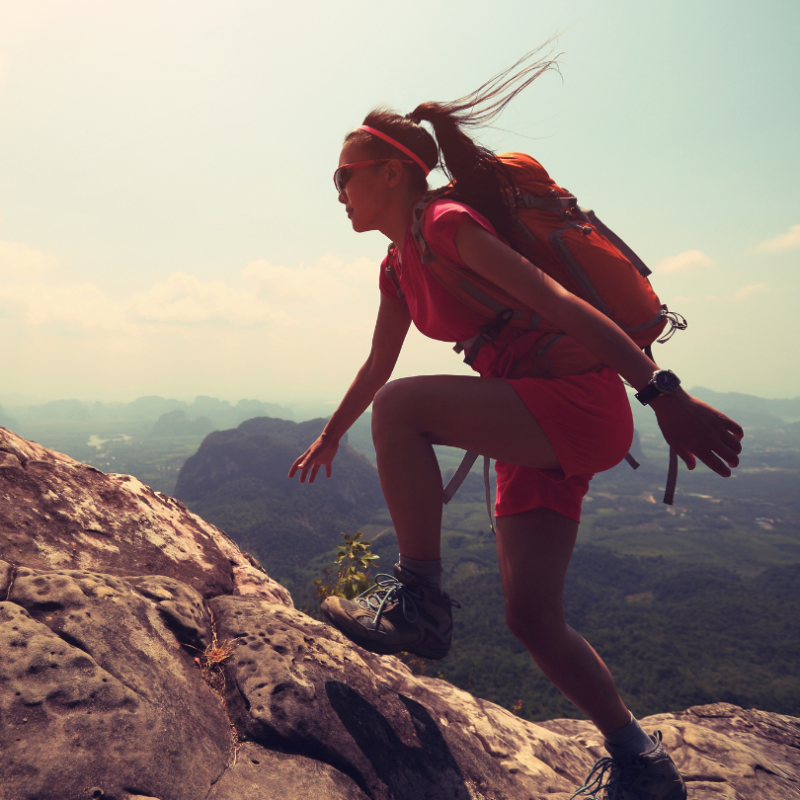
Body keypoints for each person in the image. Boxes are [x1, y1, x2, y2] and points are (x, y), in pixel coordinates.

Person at [288, 50, 743, 800]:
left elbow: (564, 307)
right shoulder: (399, 263)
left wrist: (663, 393)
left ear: (394, 172)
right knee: (531, 616)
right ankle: (640, 758)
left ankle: (419, 601)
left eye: (346, 173)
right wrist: (334, 431)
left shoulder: (447, 223)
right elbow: (376, 365)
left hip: (577, 403)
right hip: (529, 415)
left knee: (405, 408)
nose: (336, 189)